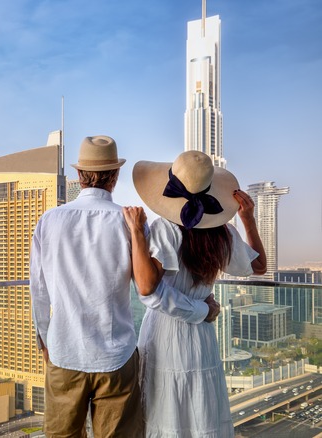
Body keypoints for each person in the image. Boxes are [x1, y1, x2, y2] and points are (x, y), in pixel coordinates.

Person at [30, 136, 219, 437]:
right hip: (116, 358)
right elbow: (149, 286)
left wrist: (44, 343)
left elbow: (38, 291)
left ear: (79, 175)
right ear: (115, 176)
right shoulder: (130, 222)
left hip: (64, 354)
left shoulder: (48, 221)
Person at [124, 150, 267, 437]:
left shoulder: (165, 229)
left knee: (164, 408)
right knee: (200, 409)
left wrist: (137, 233)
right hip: (201, 335)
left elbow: (147, 286)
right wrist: (248, 218)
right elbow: (259, 266)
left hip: (165, 333)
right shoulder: (222, 233)